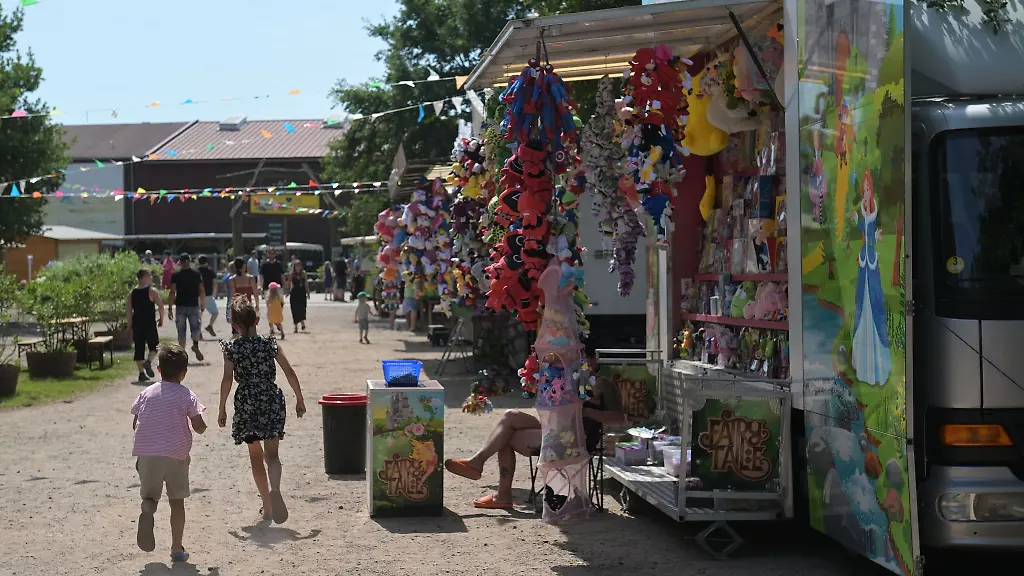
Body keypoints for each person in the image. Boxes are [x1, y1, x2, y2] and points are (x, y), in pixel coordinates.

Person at [443, 342, 626, 509]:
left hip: (577, 437)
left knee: (505, 437)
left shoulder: (602, 384)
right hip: (555, 429)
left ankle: (500, 492)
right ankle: (478, 464)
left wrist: (586, 412)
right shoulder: (566, 378)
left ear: (594, 360)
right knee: (511, 416)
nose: (580, 361)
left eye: (584, 357)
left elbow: (619, 419)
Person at [218, 297, 305, 524]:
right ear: (257, 320)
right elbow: (289, 371)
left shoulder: (232, 348)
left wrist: (222, 409)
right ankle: (275, 488)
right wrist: (299, 399)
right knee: (273, 455)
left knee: (255, 457)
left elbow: (227, 380)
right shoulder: (270, 343)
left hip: (247, 402)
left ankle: (267, 506)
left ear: (235, 326)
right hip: (270, 399)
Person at [130, 343, 207, 561]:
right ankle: (177, 549)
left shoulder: (146, 393)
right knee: (177, 501)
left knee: (150, 497)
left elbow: (136, 423)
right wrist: (202, 427)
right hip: (176, 456)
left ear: (159, 370)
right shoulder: (186, 395)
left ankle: (147, 513)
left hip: (147, 455)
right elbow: (198, 425)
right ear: (184, 372)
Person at [127, 269, 165, 383]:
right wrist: (161, 318)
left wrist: (129, 324)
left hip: (137, 323)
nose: (151, 277)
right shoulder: (151, 291)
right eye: (149, 275)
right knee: (155, 346)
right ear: (144, 277)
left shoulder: (132, 293)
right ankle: (148, 362)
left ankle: (141, 373)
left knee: (139, 348)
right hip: (149, 322)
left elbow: (128, 310)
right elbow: (161, 306)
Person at [168, 254, 206, 361]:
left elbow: (172, 292)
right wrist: (203, 303)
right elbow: (202, 290)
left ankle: (182, 353)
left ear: (180, 262)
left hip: (180, 305)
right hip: (193, 304)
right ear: (189, 261)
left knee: (181, 330)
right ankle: (195, 345)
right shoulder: (196, 274)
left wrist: (170, 308)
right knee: (195, 327)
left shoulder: (176, 275)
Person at [197, 255, 218, 338]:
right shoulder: (210, 271)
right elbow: (215, 283)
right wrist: (214, 293)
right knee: (215, 313)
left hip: (198, 295)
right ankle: (210, 325)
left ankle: (199, 332)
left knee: (199, 315)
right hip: (208, 295)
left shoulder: (196, 271)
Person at [288, 260, 309, 333]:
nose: (298, 267)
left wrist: (308, 292)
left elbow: (306, 283)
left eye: (299, 265)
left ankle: (302, 322)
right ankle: (295, 326)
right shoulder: (291, 274)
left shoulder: (304, 274)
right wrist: (287, 291)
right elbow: (289, 283)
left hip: (302, 293)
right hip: (294, 293)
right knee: (294, 309)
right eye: (296, 265)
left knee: (302, 308)